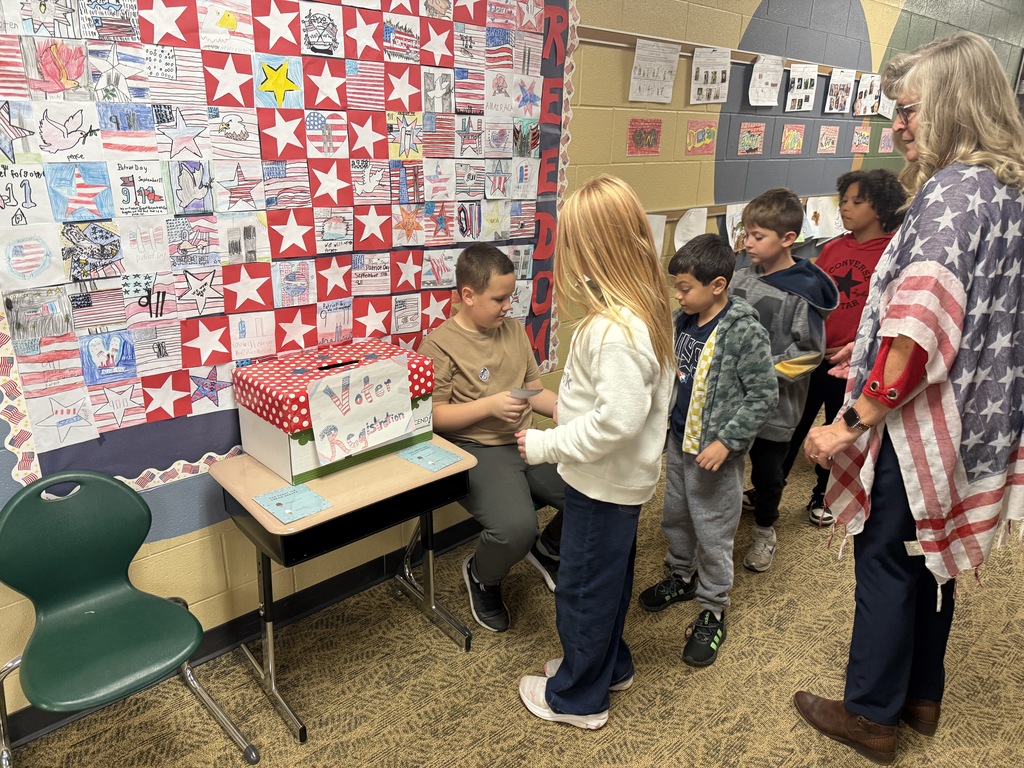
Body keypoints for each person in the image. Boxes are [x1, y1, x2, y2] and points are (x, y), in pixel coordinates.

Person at [794, 32, 1024, 765]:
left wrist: (849, 422)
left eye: (908, 109)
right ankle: (921, 694)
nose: (896, 125)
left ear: (952, 105)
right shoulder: (1004, 189)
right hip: (973, 419)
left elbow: (920, 327)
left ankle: (870, 715)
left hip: (918, 421)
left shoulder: (952, 193)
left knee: (887, 554)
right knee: (927, 552)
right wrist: (862, 349)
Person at [514, 175, 674, 729]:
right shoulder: (643, 312)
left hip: (602, 485)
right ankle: (610, 666)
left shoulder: (613, 329)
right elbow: (615, 406)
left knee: (582, 590)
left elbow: (617, 421)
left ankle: (579, 698)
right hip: (618, 482)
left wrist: (544, 444)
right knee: (608, 583)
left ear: (592, 251)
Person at [637, 234, 777, 667]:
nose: (678, 296)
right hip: (680, 443)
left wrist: (727, 441)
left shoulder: (744, 332)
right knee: (677, 515)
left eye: (684, 288)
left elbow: (763, 396)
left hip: (715, 453)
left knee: (714, 530)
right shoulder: (683, 321)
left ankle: (713, 608)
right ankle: (681, 575)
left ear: (717, 285)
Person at [418, 243, 564, 633]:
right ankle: (482, 576)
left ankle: (549, 549)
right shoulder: (439, 345)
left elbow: (533, 390)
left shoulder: (512, 330)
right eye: (499, 299)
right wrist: (489, 406)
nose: (507, 307)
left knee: (592, 487)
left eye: (510, 297)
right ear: (468, 295)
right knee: (516, 529)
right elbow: (434, 417)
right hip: (476, 449)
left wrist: (566, 411)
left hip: (524, 439)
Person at [780, 169, 906, 526]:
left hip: (851, 365)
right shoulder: (834, 247)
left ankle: (825, 493)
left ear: (880, 207)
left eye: (857, 201)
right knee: (792, 425)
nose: (845, 207)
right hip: (815, 356)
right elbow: (814, 297)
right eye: (844, 200)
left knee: (838, 430)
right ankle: (770, 486)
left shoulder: (894, 254)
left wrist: (860, 345)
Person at [730, 189, 838, 572]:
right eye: (746, 234)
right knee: (726, 463)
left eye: (758, 236)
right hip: (733, 402)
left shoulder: (802, 293)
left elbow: (809, 352)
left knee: (767, 473)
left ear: (788, 238)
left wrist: (759, 374)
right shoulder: (738, 280)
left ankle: (764, 530)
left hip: (776, 407)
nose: (748, 243)